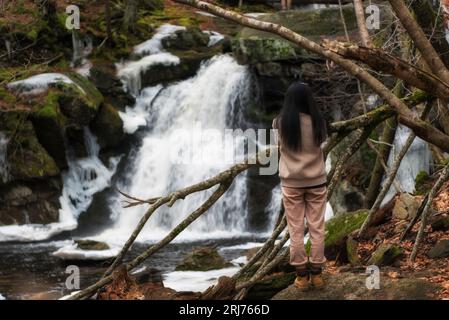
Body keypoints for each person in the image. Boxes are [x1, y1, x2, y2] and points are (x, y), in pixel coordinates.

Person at [272, 82, 328, 291]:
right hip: (316, 181)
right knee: (317, 227)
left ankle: (301, 277)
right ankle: (317, 274)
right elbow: (322, 142)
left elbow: (278, 147)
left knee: (295, 228)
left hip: (291, 183)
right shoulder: (319, 122)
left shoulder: (279, 123)